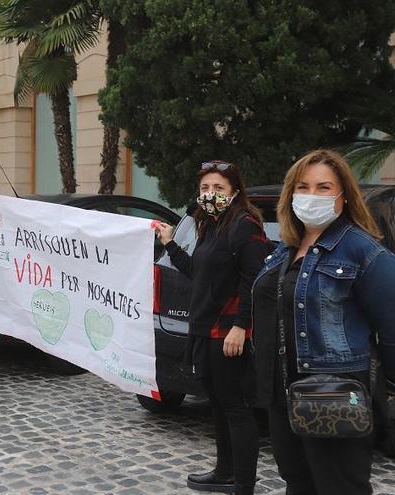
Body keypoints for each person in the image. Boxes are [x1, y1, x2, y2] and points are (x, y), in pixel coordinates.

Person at [251, 149, 395, 495]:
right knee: (298, 485)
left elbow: (392, 327)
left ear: (343, 197)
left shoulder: (363, 251)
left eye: (323, 187)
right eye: (303, 186)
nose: (311, 196)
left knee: (340, 488)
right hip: (283, 395)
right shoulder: (284, 249)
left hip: (334, 396)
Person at [154, 161, 269, 495]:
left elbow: (254, 281)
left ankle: (243, 482)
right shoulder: (209, 227)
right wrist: (171, 244)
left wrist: (240, 326)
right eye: (205, 188)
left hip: (226, 334)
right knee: (217, 403)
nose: (210, 194)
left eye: (218, 188)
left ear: (234, 191)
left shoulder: (244, 227)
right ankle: (224, 471)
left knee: (235, 406)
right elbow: (197, 273)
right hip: (203, 330)